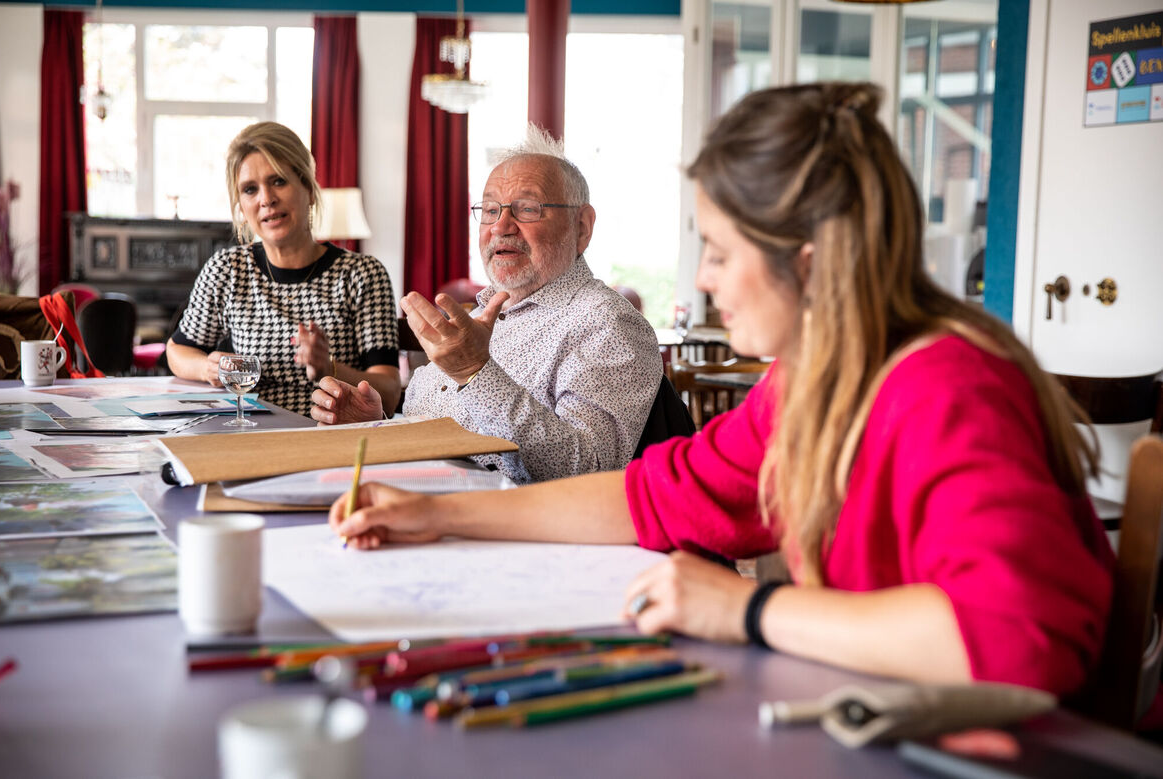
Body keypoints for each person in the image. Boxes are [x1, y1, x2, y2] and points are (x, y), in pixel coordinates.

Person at [325, 83, 1115, 697]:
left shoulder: (948, 388)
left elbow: (1018, 647)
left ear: (806, 262)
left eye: (720, 251)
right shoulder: (811, 382)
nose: (703, 278)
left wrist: (744, 609)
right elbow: (649, 495)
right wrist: (435, 512)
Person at [310, 128, 663, 483]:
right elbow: (443, 447)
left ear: (582, 227)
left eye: (527, 209)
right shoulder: (478, 315)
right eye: (491, 210)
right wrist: (377, 428)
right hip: (428, 508)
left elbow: (589, 473)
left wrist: (476, 372)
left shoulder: (607, 323)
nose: (500, 226)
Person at [166, 122, 401, 417]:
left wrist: (329, 367)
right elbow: (176, 352)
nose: (266, 199)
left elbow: (390, 395)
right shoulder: (227, 270)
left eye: (278, 181)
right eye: (250, 189)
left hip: (329, 440)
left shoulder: (362, 274)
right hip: (245, 437)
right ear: (241, 206)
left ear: (309, 189)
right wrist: (207, 367)